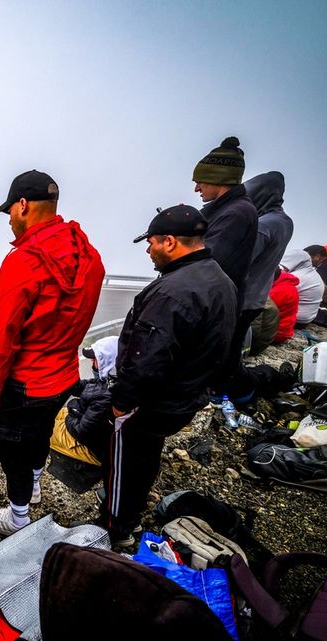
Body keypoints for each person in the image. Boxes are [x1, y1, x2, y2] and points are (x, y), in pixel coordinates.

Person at [0, 170, 105, 536]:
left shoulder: (23, 262)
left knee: (12, 449)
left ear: (22, 205)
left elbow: (3, 336)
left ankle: (17, 519)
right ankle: (33, 485)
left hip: (24, 382)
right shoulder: (90, 256)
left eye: (11, 214)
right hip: (64, 375)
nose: (11, 223)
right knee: (40, 435)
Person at [103, 205, 236, 546]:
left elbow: (146, 357)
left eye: (151, 243)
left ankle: (114, 528)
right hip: (184, 396)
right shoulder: (219, 278)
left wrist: (122, 401)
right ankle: (128, 513)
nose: (148, 250)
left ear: (170, 242)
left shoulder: (173, 291)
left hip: (153, 400)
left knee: (126, 463)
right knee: (146, 456)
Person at [192, 137, 259, 401]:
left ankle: (223, 396)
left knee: (215, 358)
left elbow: (208, 260)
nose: (196, 188)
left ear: (218, 181)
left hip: (217, 301)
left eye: (201, 181)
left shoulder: (236, 213)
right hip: (221, 297)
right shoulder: (227, 209)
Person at [49, 335, 119, 466]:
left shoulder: (105, 396)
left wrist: (72, 410)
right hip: (91, 427)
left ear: (110, 362)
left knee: (45, 428)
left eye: (96, 359)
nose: (92, 363)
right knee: (55, 414)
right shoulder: (112, 381)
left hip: (96, 451)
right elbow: (86, 386)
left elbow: (82, 432)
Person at [242, 171, 294, 323]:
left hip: (244, 298)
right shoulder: (285, 221)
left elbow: (240, 261)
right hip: (259, 296)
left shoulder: (263, 225)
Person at [280, 248, 323, 325]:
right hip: (307, 319)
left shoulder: (296, 277)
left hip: (296, 320)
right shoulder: (312, 274)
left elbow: (277, 296)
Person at [269, 268, 300, 344]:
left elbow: (263, 309)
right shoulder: (286, 284)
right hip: (284, 329)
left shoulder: (280, 291)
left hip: (277, 333)